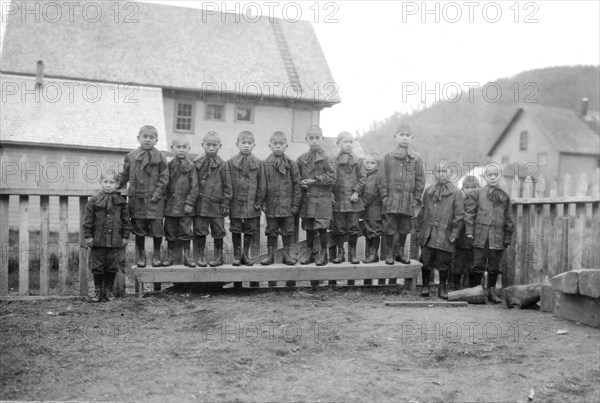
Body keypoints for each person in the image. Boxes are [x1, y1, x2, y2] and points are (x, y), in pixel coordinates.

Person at [118, 125, 168, 271]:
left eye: (151, 137)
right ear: (138, 138)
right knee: (139, 229)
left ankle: (157, 255)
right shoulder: (131, 156)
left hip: (155, 201)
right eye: (145, 136)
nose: (148, 140)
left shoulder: (160, 157)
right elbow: (125, 175)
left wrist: (157, 193)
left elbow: (164, 177)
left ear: (156, 140)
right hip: (137, 200)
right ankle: (141, 256)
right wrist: (116, 186)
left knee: (157, 229)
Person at [464, 164, 514, 303]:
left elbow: (509, 218)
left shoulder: (504, 196)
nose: (492, 177)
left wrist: (507, 237)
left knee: (494, 266)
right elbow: (470, 214)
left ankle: (491, 292)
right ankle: (474, 291)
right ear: (485, 177)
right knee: (478, 264)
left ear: (499, 176)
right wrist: (469, 232)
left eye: (495, 174)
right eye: (489, 175)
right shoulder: (477, 193)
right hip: (481, 236)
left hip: (497, 237)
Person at [417, 160, 464, 299]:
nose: (441, 174)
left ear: (450, 173)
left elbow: (459, 215)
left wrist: (455, 233)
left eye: (444, 171)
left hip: (446, 233)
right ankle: (425, 286)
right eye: (438, 171)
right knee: (426, 261)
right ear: (434, 173)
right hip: (429, 233)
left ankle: (442, 288)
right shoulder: (429, 190)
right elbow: (423, 210)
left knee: (444, 263)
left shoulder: (456, 192)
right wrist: (419, 229)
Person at [379, 123, 425, 265]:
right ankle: (389, 254)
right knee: (390, 228)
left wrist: (416, 198)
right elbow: (382, 178)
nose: (404, 138)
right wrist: (385, 196)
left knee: (405, 228)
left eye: (407, 136)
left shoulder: (416, 158)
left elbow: (420, 180)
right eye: (401, 135)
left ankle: (399, 252)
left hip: (407, 200)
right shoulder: (388, 156)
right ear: (395, 137)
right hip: (391, 200)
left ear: (412, 138)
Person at [83, 169, 131, 302]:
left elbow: (126, 221)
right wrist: (88, 236)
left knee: (111, 265)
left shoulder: (121, 202)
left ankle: (109, 291)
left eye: (112, 182)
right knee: (97, 266)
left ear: (117, 184)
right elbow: (88, 220)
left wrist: (125, 236)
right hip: (98, 239)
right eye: (105, 182)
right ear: (100, 183)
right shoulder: (94, 200)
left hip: (115, 240)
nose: (108, 185)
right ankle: (98, 291)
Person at [259, 131, 301, 266]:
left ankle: (286, 255)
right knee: (271, 231)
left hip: (287, 205)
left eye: (281, 144)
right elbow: (262, 185)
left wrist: (295, 204)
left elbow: (297, 185)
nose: (278, 146)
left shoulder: (291, 164)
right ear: (270, 146)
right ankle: (270, 256)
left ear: (286, 146)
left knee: (287, 231)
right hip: (271, 204)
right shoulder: (265, 164)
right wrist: (263, 202)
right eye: (275, 144)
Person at [296, 125, 336, 266]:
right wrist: (302, 184)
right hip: (308, 199)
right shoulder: (301, 159)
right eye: (311, 138)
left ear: (322, 139)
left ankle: (323, 254)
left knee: (322, 227)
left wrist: (315, 180)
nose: (314, 141)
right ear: (306, 139)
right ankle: (309, 253)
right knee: (309, 228)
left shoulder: (327, 158)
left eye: (317, 138)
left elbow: (332, 178)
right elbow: (297, 179)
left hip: (323, 199)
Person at [193, 131, 232, 267]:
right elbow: (193, 184)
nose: (211, 148)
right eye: (208, 145)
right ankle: (200, 257)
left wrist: (225, 203)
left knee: (218, 231)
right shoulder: (196, 164)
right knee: (199, 230)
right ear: (202, 145)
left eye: (214, 145)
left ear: (219, 146)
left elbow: (228, 186)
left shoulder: (223, 165)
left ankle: (218, 257)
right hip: (200, 205)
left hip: (216, 206)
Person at [162, 135, 199, 267]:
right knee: (170, 232)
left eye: (184, 147)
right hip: (171, 207)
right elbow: (164, 184)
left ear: (189, 149)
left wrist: (190, 202)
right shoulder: (168, 165)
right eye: (178, 147)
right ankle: (170, 256)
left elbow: (195, 187)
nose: (181, 150)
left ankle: (187, 257)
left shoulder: (191, 166)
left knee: (185, 232)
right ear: (172, 148)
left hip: (185, 208)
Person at [227, 131, 263, 266]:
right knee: (235, 228)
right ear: (237, 144)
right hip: (235, 202)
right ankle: (236, 256)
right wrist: (228, 202)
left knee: (250, 229)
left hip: (251, 202)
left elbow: (261, 184)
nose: (246, 146)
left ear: (254, 145)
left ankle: (245, 255)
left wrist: (259, 201)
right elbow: (228, 184)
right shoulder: (230, 163)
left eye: (249, 143)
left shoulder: (259, 163)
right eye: (243, 143)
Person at [331, 132, 366, 267]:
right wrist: (330, 193)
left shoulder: (359, 160)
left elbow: (363, 179)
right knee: (339, 227)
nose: (348, 145)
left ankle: (353, 253)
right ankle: (341, 252)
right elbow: (330, 178)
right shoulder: (333, 161)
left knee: (353, 227)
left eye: (351, 142)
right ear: (338, 143)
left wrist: (357, 191)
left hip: (353, 201)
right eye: (345, 142)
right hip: (339, 201)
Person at [452, 175, 480, 289]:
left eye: (474, 187)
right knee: (458, 263)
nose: (471, 190)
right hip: (461, 239)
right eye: (467, 187)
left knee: (473, 263)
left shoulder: (480, 202)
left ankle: (472, 286)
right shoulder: (459, 200)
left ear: (479, 187)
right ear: (462, 188)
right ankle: (456, 285)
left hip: (475, 238)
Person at [361, 153, 384, 265]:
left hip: (374, 209)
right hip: (368, 209)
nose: (369, 165)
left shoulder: (375, 177)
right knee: (368, 231)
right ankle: (371, 253)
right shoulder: (366, 175)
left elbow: (370, 193)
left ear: (378, 165)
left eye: (372, 163)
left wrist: (361, 205)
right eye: (367, 162)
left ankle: (374, 253)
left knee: (374, 230)